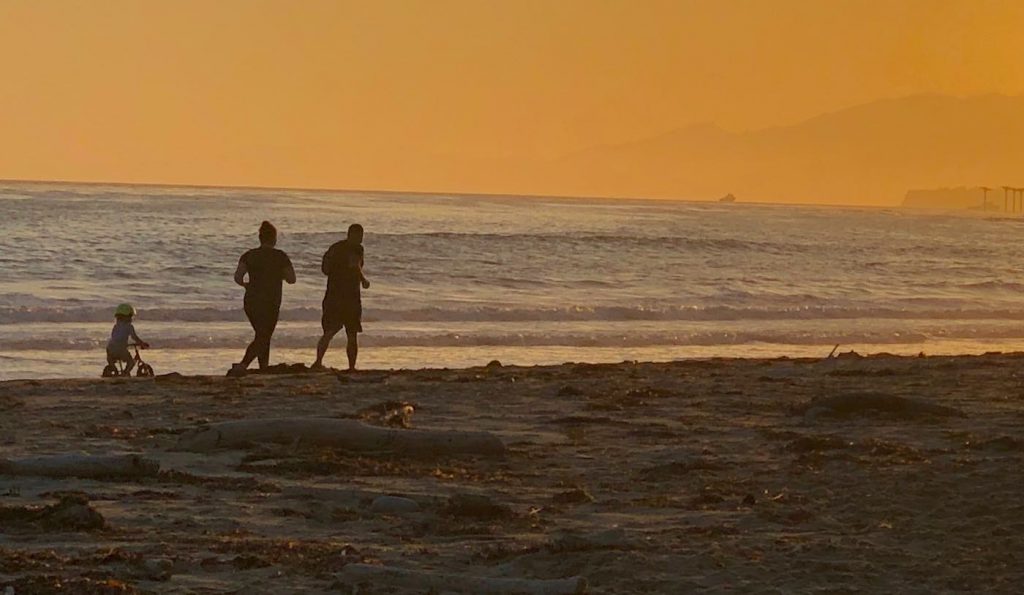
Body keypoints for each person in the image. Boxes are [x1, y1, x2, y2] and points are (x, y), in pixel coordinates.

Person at [231, 221, 296, 376]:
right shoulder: (280, 256)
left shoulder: (249, 255)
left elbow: (238, 277)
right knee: (264, 335)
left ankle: (263, 367)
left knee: (262, 334)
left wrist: (246, 285)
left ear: (260, 238)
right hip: (271, 301)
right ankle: (243, 364)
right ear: (274, 239)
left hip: (251, 300)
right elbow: (292, 279)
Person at [314, 223, 370, 371]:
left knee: (330, 331)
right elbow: (355, 264)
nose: (361, 239)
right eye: (359, 236)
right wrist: (363, 280)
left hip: (333, 294)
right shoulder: (357, 249)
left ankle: (318, 362)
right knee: (351, 333)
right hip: (349, 296)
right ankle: (351, 367)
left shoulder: (335, 248)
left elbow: (324, 269)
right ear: (352, 234)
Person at [107, 303, 149, 375]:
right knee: (131, 362)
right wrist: (142, 343)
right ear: (128, 317)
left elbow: (115, 338)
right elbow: (134, 337)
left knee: (113, 359)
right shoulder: (129, 326)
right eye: (131, 316)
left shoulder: (115, 326)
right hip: (120, 349)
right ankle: (125, 373)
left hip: (110, 348)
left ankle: (113, 368)